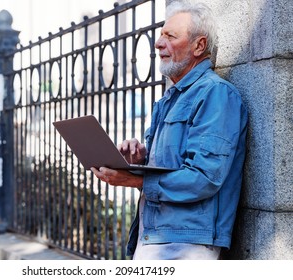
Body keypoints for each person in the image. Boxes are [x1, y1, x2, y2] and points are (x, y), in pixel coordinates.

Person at [91, 0, 248, 260]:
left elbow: (204, 177)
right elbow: (170, 165)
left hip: (187, 244)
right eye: (161, 34)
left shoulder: (216, 95)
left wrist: (137, 180)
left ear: (199, 45)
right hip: (154, 236)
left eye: (170, 36)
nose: (158, 43)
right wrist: (140, 158)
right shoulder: (169, 99)